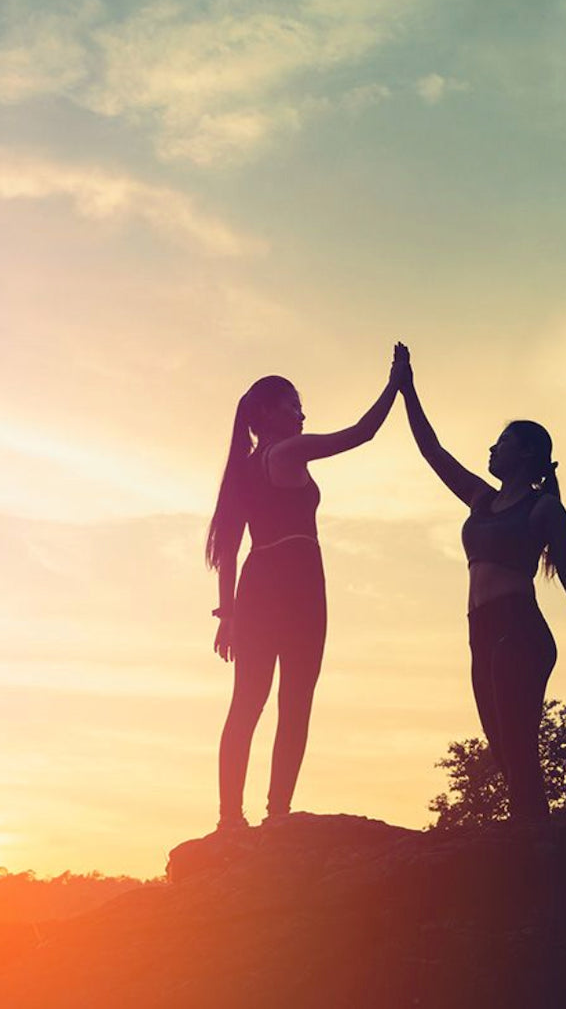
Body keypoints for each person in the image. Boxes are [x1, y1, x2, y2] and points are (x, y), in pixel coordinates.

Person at [397, 347, 566, 823]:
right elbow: (432, 451)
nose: (491, 449)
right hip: (481, 630)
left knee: (517, 740)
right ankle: (535, 838)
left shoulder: (542, 509)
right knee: (501, 747)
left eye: (502, 441)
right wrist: (407, 389)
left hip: (520, 628)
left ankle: (535, 846)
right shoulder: (479, 499)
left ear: (527, 453)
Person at [206, 345, 409, 830]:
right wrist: (395, 385)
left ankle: (230, 818)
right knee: (295, 699)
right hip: (297, 585)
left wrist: (228, 614)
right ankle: (277, 813)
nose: (302, 412)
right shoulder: (288, 451)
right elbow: (361, 433)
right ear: (268, 414)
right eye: (293, 404)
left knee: (248, 702)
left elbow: (229, 550)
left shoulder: (244, 468)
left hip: (257, 585)